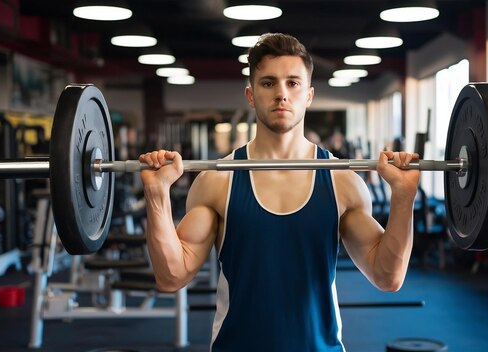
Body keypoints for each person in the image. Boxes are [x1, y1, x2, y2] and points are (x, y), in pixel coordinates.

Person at [138, 33, 420, 352]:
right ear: (251, 94)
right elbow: (172, 276)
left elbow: (387, 276)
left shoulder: (342, 180)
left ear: (309, 95)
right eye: (268, 83)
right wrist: (157, 193)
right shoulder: (217, 180)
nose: (281, 94)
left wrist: (403, 195)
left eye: (293, 83)